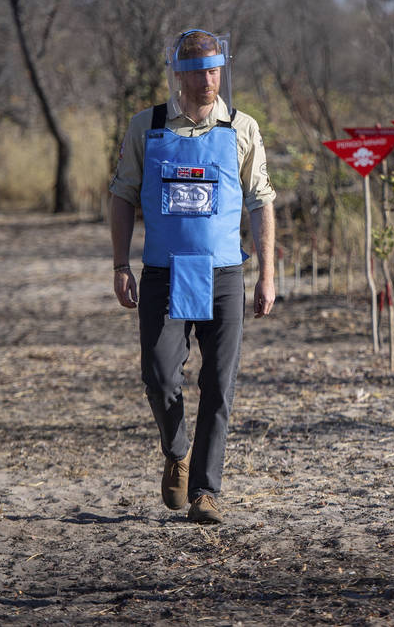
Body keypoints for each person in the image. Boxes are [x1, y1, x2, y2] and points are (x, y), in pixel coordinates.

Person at [109, 29, 275, 524]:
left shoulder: (242, 127)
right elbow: (122, 194)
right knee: (159, 376)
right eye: (197, 71)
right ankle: (177, 449)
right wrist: (120, 264)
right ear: (177, 74)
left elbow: (261, 200)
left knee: (219, 384)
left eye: (214, 69)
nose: (207, 80)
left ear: (223, 68)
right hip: (163, 272)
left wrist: (267, 273)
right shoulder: (148, 126)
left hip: (224, 272)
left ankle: (206, 489)